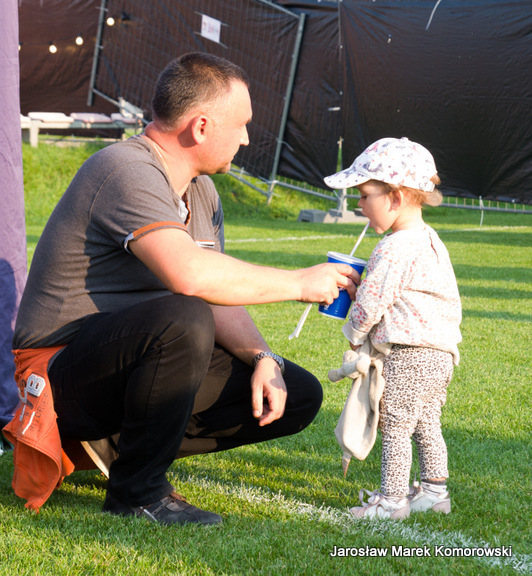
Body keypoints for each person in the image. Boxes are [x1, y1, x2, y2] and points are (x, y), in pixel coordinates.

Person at [10, 52, 358, 527]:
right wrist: (299, 283)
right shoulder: (125, 169)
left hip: (127, 360)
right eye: (241, 124)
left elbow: (212, 290)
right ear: (200, 127)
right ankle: (137, 494)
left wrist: (263, 358)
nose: (246, 138)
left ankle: (119, 446)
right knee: (184, 316)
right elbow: (190, 276)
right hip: (58, 371)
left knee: (295, 393)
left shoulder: (200, 189)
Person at [324, 137, 462, 520]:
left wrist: (354, 335)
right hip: (440, 354)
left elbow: (370, 303)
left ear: (396, 197)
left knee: (396, 423)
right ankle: (434, 492)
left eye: (364, 195)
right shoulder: (430, 240)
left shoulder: (393, 247)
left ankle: (392, 501)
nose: (359, 204)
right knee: (426, 421)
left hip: (409, 353)